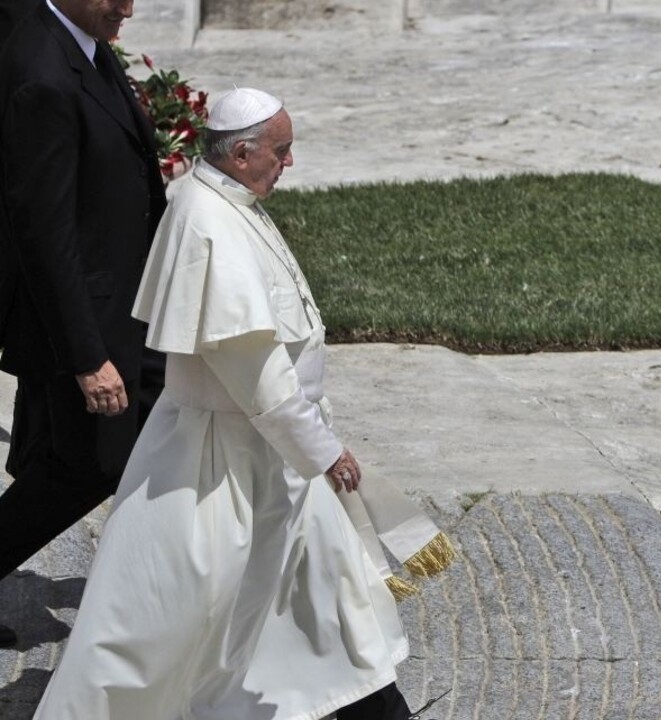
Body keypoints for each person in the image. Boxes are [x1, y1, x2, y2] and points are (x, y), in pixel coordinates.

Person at [32, 87, 453, 720]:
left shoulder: (231, 198)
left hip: (272, 452)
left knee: (327, 594)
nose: (289, 163)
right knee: (172, 614)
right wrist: (321, 448)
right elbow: (253, 368)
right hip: (221, 460)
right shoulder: (206, 220)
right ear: (242, 150)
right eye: (281, 151)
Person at [0, 0, 167, 649]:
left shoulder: (83, 41)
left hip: (129, 308)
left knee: (166, 430)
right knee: (85, 466)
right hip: (86, 323)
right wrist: (87, 358)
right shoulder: (42, 72)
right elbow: (45, 232)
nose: (128, 7)